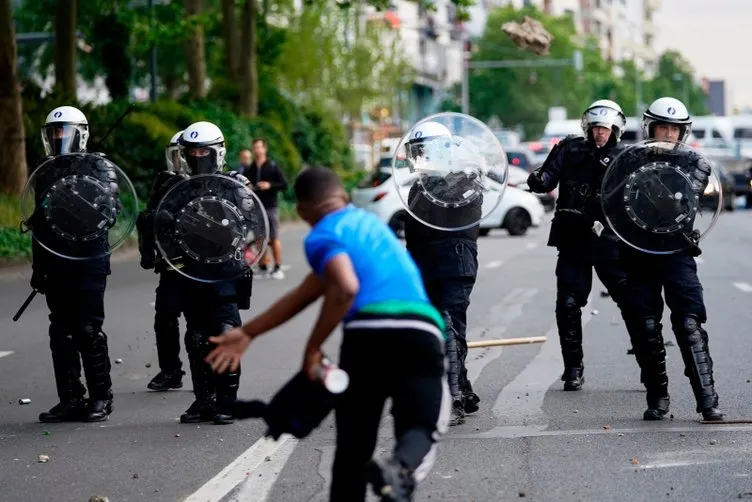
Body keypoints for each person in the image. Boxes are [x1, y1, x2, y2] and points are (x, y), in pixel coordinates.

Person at [206, 167, 450, 502]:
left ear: (303, 210)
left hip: (367, 337)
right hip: (420, 332)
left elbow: (344, 288)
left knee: (353, 449)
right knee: (420, 428)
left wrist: (313, 347)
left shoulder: (323, 234)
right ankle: (399, 470)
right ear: (344, 197)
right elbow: (311, 291)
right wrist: (248, 333)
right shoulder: (372, 227)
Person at [617, 97, 723, 422]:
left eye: (674, 129)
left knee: (689, 323)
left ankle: (707, 401)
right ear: (650, 127)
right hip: (639, 252)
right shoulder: (629, 160)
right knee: (646, 326)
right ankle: (657, 398)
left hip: (677, 252)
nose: (667, 134)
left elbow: (683, 203)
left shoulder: (696, 163)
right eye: (662, 127)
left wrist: (656, 189)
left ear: (682, 132)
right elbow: (612, 200)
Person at [527, 99, 640, 392]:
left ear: (615, 130)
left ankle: (648, 363)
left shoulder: (626, 156)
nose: (599, 134)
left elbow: (643, 195)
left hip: (612, 242)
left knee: (633, 303)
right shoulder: (569, 148)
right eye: (595, 128)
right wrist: (537, 179)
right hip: (573, 238)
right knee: (567, 304)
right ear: (587, 128)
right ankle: (573, 368)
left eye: (605, 129)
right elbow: (546, 179)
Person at [30, 106, 116, 422]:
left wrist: (74, 196)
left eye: (63, 131)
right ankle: (70, 398)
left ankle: (100, 398)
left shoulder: (99, 167)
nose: (57, 137)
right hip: (55, 261)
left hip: (88, 260)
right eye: (53, 132)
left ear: (79, 133)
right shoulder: (45, 171)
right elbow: (39, 224)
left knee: (88, 329)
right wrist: (38, 268)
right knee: (60, 332)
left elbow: (108, 212)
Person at [165, 121, 254, 425]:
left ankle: (227, 403)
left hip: (225, 274)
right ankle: (204, 400)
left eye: (204, 150)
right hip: (190, 273)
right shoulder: (178, 188)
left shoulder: (234, 185)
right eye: (193, 152)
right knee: (196, 337)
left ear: (217, 152)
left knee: (225, 335)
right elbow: (166, 227)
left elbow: (248, 226)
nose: (198, 156)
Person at [402, 120, 481, 427]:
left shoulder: (463, 180)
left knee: (449, 325)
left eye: (423, 150)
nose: (418, 156)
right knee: (436, 328)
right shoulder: (417, 187)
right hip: (424, 265)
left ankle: (455, 399)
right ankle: (464, 388)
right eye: (416, 150)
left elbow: (459, 209)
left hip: (454, 263)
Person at [137, 130, 188, 391]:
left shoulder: (210, 182)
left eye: (184, 154)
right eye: (176, 155)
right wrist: (147, 251)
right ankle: (170, 371)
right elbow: (147, 217)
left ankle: (210, 374)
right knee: (164, 316)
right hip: (172, 263)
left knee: (202, 323)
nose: (180, 160)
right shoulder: (165, 181)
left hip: (202, 265)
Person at [246, 138, 288, 279]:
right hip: (255, 206)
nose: (257, 150)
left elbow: (284, 184)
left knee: (274, 237)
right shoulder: (250, 168)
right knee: (259, 238)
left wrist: (269, 185)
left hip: (270, 206)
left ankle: (277, 266)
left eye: (259, 147)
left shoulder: (272, 166)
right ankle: (263, 265)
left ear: (264, 149)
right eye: (255, 147)